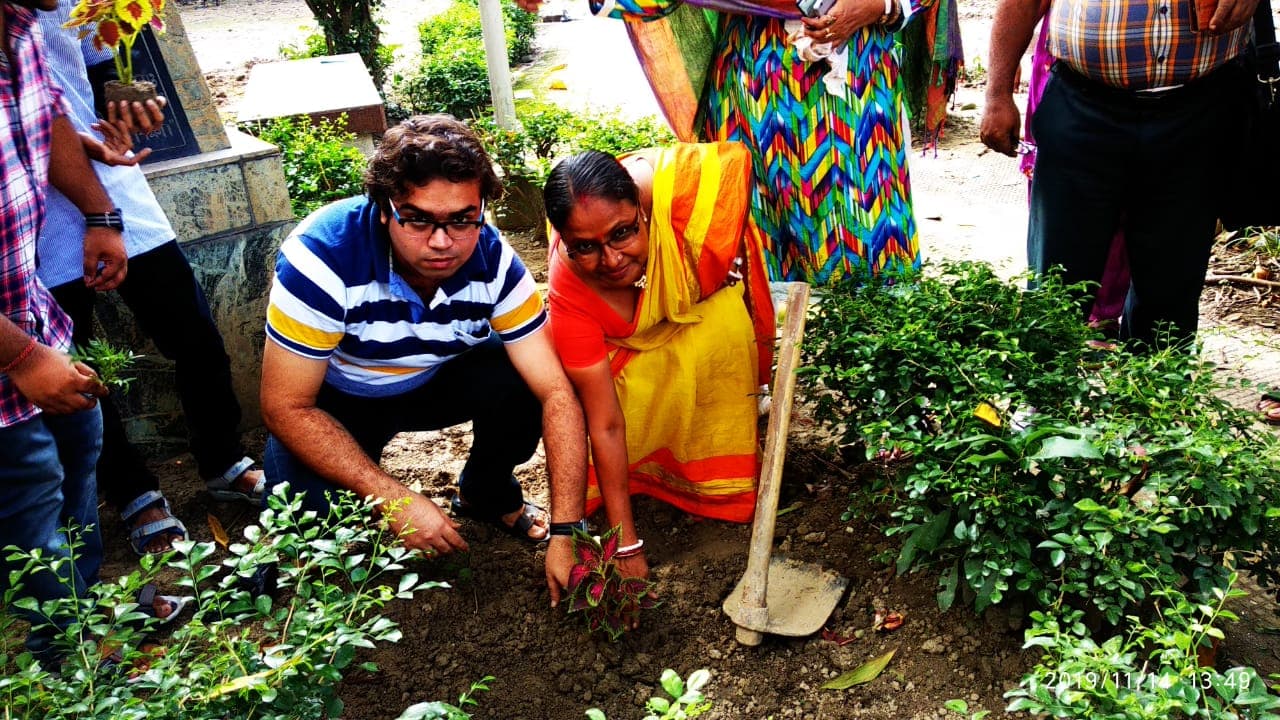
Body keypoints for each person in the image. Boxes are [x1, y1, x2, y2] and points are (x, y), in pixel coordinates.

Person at [260, 115, 588, 603]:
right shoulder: (323, 256)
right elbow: (284, 406)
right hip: (336, 401)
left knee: (523, 380)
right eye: (418, 219)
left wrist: (567, 531)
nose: (441, 242)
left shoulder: (493, 260)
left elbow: (556, 391)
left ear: (481, 208)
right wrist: (392, 497)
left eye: (461, 219)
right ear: (385, 208)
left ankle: (485, 493)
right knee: (306, 540)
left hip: (433, 380)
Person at [35, 0, 265, 558]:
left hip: (110, 180)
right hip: (30, 208)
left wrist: (119, 92)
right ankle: (134, 493)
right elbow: (32, 119)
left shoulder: (55, 9)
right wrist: (97, 215)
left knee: (194, 335)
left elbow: (94, 58)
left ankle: (221, 459)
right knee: (78, 365)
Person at [518, 0, 926, 284]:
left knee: (867, 239)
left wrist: (879, 5)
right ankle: (769, 372)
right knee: (753, 242)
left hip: (857, 98)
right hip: (753, 96)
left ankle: (875, 374)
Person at [543, 142, 776, 579]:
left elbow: (729, 176)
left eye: (623, 233)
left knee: (722, 319)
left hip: (695, 319)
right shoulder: (570, 290)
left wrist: (711, 260)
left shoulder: (671, 190)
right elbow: (605, 422)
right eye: (585, 247)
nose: (611, 259)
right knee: (602, 389)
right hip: (629, 365)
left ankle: (709, 475)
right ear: (563, 241)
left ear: (643, 207)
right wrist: (625, 543)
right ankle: (648, 476)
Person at [980, 0, 1259, 346]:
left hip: (1199, 111)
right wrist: (997, 94)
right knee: (1056, 284)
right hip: (1082, 106)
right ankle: (1045, 395)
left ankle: (1155, 396)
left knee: (1170, 289)